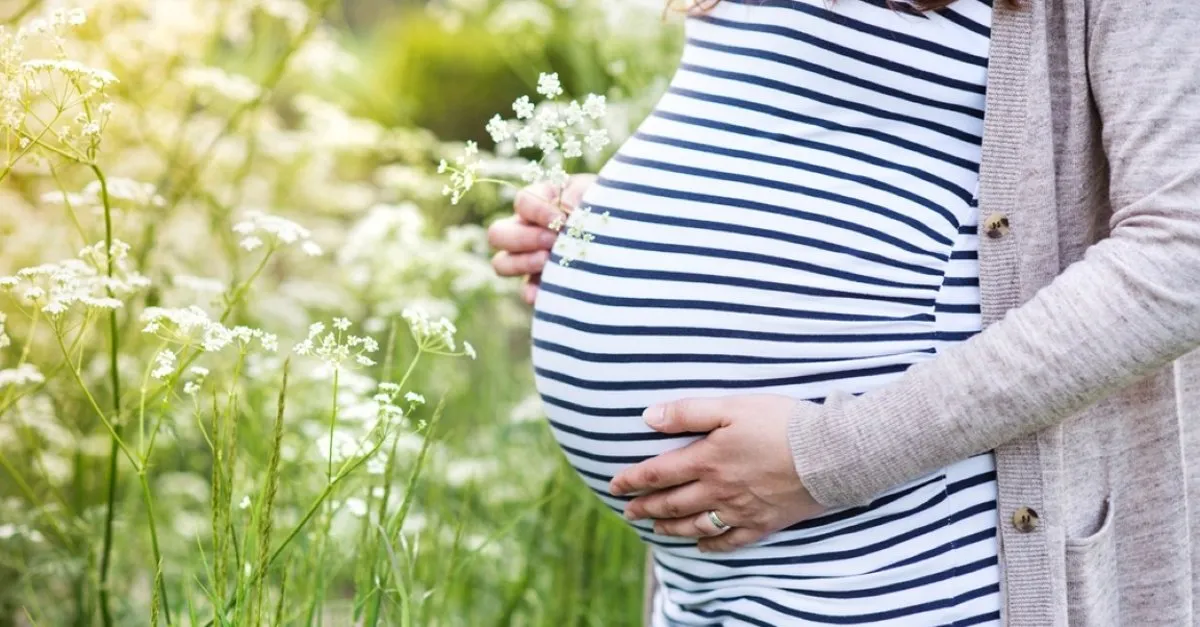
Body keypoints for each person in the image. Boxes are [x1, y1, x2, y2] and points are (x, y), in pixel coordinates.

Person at [486, 0, 1200, 624]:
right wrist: (611, 223)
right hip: (710, 574)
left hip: (918, 554)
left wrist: (827, 455)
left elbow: (1180, 254)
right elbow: (811, 116)